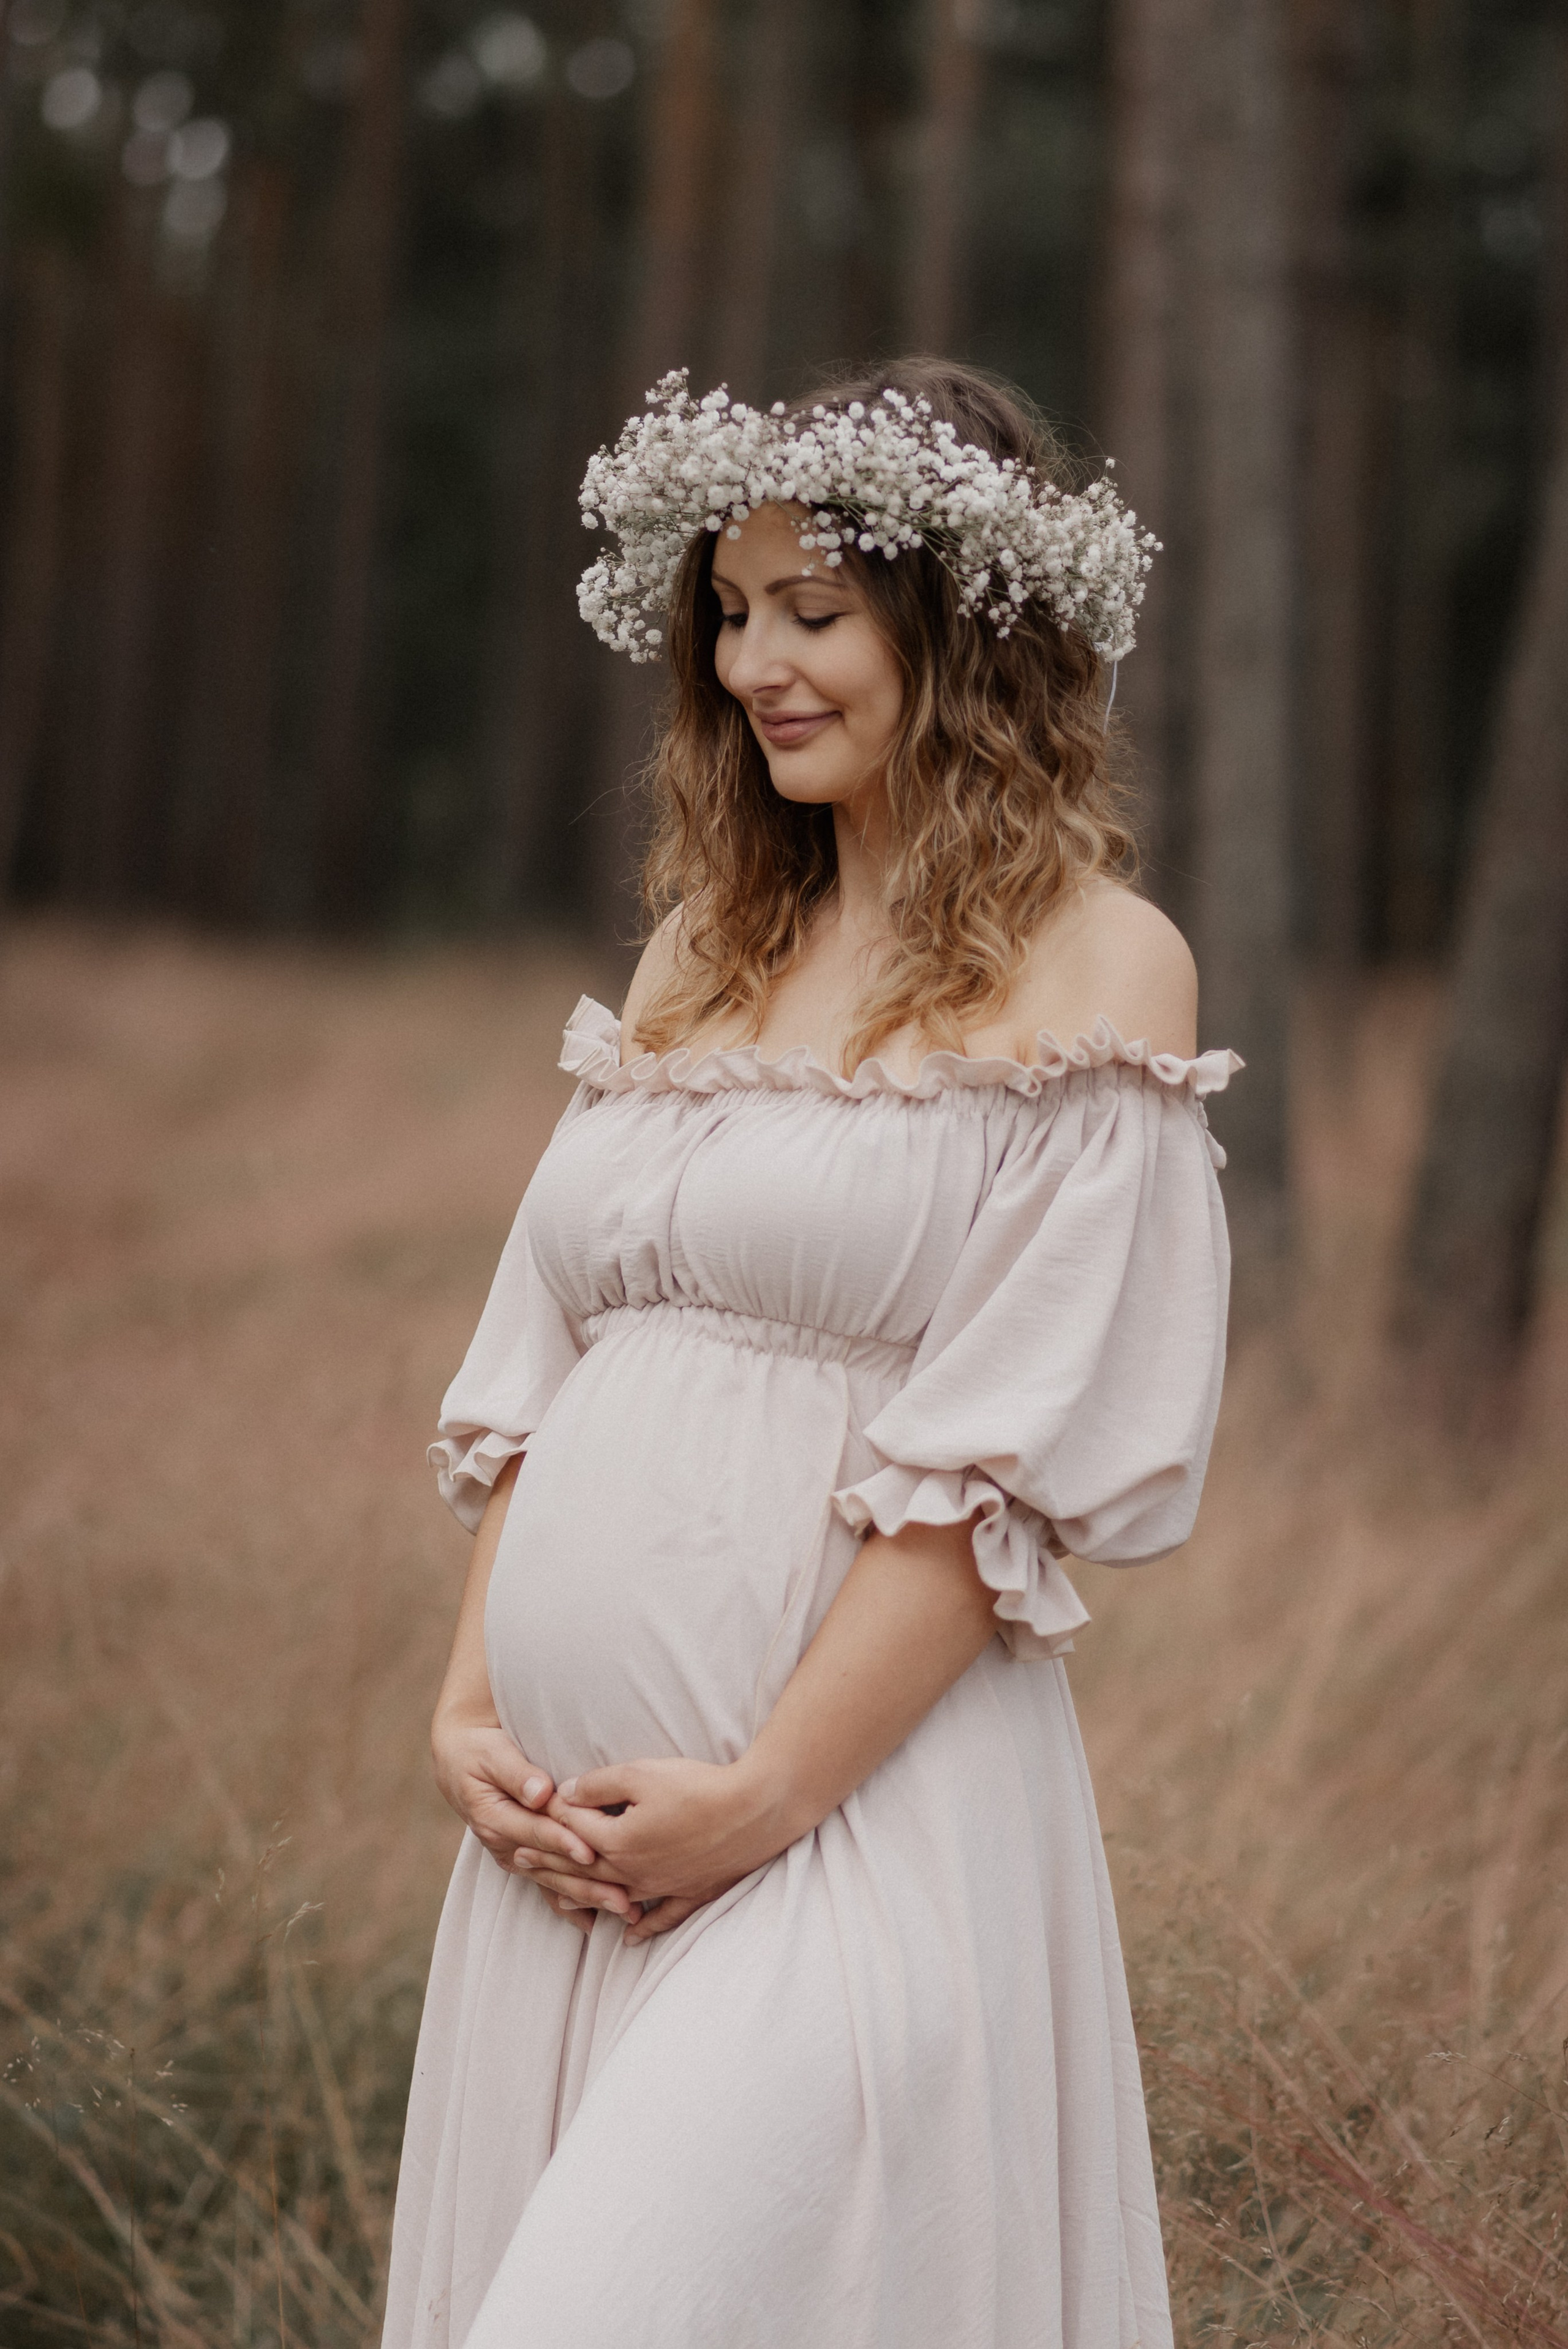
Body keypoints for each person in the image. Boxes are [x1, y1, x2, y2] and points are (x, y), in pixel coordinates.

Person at [382, 360, 1238, 2349]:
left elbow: (998, 1470)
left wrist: (761, 1795)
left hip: (847, 1829)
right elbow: (557, 1360)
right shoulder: (703, 946)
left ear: (968, 628)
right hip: (571, 1849)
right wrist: (468, 1710)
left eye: (815, 610)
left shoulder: (1104, 963)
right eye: (731, 611)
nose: (754, 662)